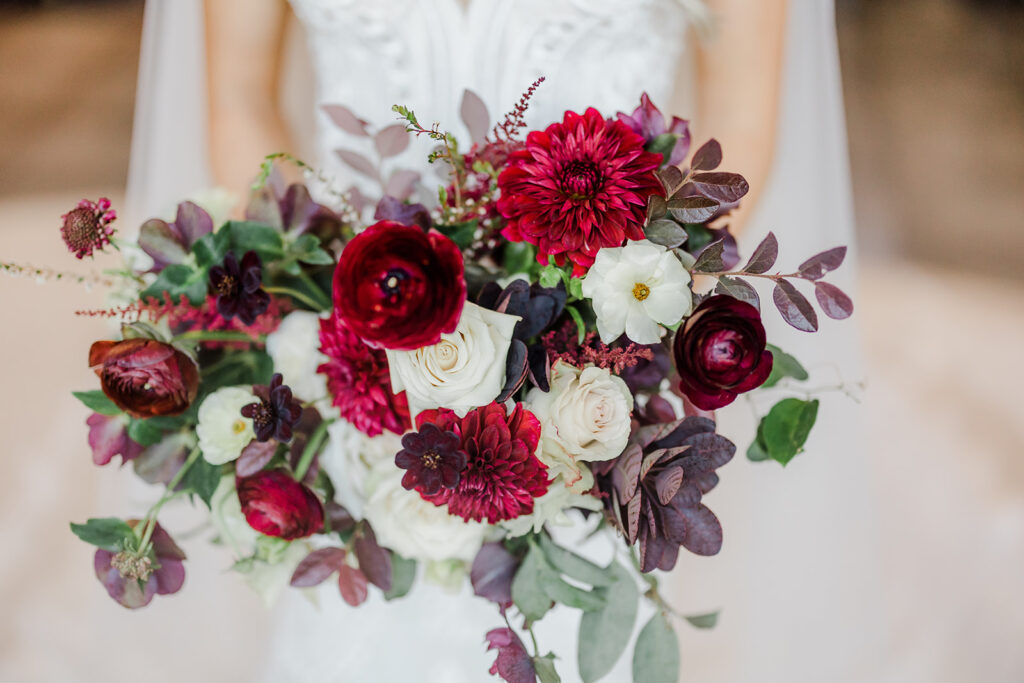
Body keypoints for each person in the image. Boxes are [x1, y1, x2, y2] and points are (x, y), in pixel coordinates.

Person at [127, 1, 885, 680]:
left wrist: (589, 344)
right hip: (354, 361)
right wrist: (334, 314)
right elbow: (238, 95)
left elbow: (740, 119)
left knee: (574, 614)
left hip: (586, 381)